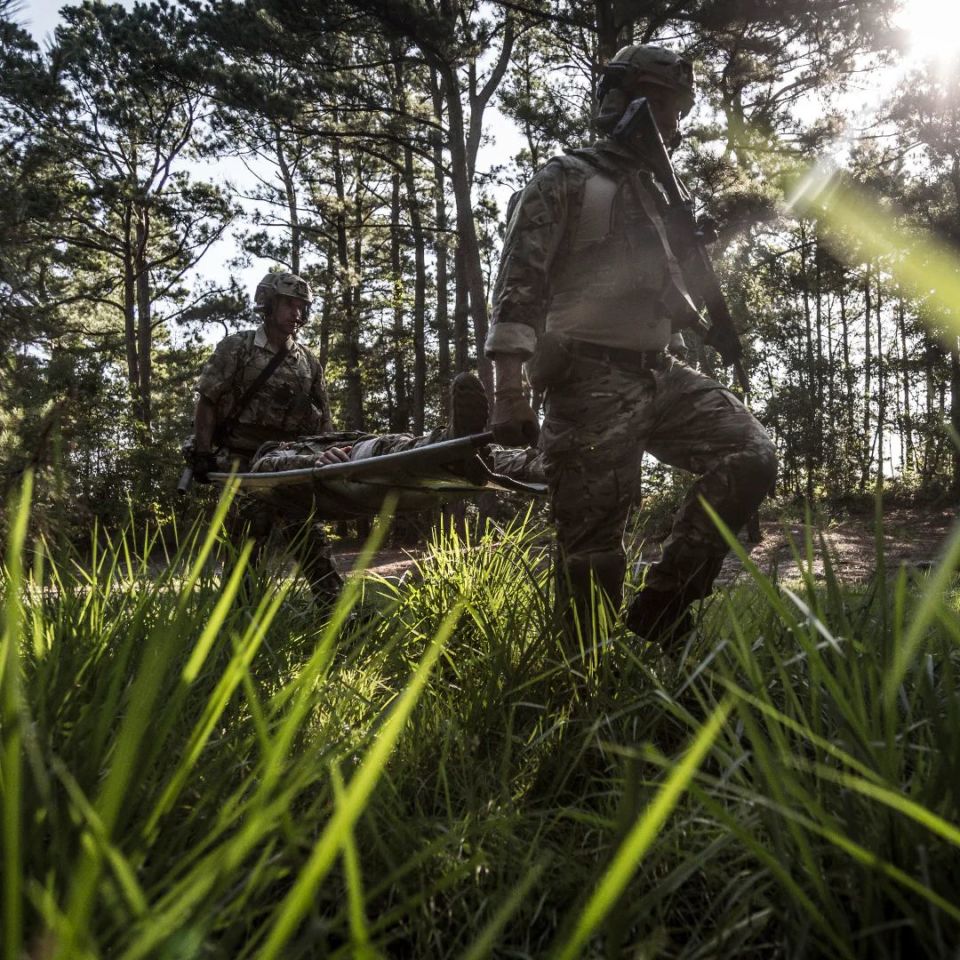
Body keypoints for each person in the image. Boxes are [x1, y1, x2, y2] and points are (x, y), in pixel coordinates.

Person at [485, 44, 778, 643]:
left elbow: (662, 291)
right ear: (626, 100)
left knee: (750, 455)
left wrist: (707, 325)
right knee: (593, 556)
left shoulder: (660, 197)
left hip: (660, 375)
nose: (675, 125)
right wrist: (508, 390)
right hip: (588, 379)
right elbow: (519, 286)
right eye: (667, 107)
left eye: (679, 111)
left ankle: (662, 608)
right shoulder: (565, 179)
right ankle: (585, 691)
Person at [187, 270, 489, 607]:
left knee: (309, 537)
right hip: (243, 461)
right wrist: (202, 453)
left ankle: (335, 613)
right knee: (246, 540)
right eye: (288, 304)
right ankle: (237, 616)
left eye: (301, 306)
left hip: (294, 461)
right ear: (268, 304)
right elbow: (208, 399)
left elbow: (324, 420)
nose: (296, 313)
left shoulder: (307, 363)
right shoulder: (238, 348)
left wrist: (329, 459)